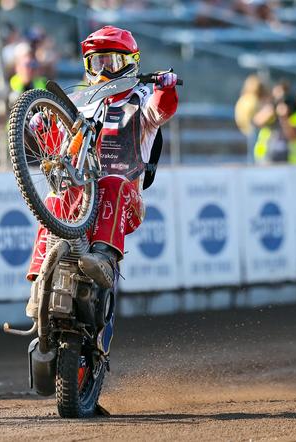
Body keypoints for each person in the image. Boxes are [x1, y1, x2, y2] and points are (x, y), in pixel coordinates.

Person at [26, 26, 179, 316]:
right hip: (81, 199)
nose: (105, 71)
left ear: (131, 62)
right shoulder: (80, 105)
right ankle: (38, 282)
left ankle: (105, 259)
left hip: (125, 200)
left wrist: (165, 87)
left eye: (113, 62)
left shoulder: (142, 99)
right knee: (53, 200)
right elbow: (59, 148)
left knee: (111, 182)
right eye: (98, 62)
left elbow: (162, 110)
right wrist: (42, 127)